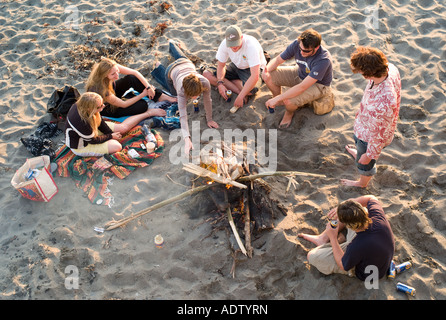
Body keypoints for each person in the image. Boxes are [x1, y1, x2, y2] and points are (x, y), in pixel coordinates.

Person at [341, 46, 401, 188]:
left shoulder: (385, 103)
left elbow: (378, 135)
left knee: (364, 163)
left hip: (369, 137)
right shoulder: (390, 68)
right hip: (364, 124)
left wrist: (368, 155)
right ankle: (360, 153)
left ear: (368, 74)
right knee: (359, 149)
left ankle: (362, 183)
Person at [298, 195, 395, 281]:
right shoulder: (378, 217)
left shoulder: (357, 245)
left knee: (312, 256)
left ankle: (336, 241)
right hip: (375, 250)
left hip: (368, 273)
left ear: (349, 226)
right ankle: (323, 239)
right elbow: (371, 198)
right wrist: (350, 203)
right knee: (351, 211)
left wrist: (333, 238)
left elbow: (343, 265)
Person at [151, 40, 219, 154]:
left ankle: (172, 45)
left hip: (186, 63)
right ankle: (158, 68)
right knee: (172, 94)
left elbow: (208, 100)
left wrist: (210, 119)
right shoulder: (181, 90)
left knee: (182, 58)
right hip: (172, 71)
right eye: (192, 96)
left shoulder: (205, 82)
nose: (195, 97)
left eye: (197, 94)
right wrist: (187, 139)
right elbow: (183, 116)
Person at [262, 29, 334, 128]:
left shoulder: (323, 60)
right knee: (269, 75)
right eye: (300, 49)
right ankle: (278, 100)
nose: (301, 52)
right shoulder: (298, 44)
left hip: (318, 84)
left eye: (306, 51)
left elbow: (302, 87)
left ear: (316, 48)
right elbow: (278, 60)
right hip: (300, 72)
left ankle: (289, 113)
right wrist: (266, 71)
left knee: (289, 100)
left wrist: (280, 98)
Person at [65, 92, 157, 157]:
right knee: (117, 146)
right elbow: (93, 140)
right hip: (82, 145)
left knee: (122, 128)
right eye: (100, 106)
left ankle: (147, 113)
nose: (103, 106)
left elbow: (100, 122)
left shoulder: (84, 106)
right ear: (90, 109)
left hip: (91, 131)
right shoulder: (82, 123)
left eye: (102, 104)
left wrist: (109, 133)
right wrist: (110, 136)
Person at [85, 58, 176, 118]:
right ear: (105, 75)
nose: (117, 76)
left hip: (113, 92)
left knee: (131, 79)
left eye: (117, 71)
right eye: (113, 74)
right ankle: (149, 110)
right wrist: (143, 94)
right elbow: (123, 104)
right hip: (108, 108)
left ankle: (160, 96)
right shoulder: (102, 89)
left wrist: (149, 88)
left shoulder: (110, 66)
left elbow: (134, 73)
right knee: (142, 105)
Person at [203, 25, 267, 110]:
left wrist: (240, 97)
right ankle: (238, 88)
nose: (234, 47)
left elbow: (254, 76)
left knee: (252, 90)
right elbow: (221, 65)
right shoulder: (224, 44)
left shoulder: (251, 46)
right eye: (231, 44)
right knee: (206, 74)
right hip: (236, 65)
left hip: (251, 68)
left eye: (236, 43)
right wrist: (220, 83)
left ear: (241, 37)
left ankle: (233, 84)